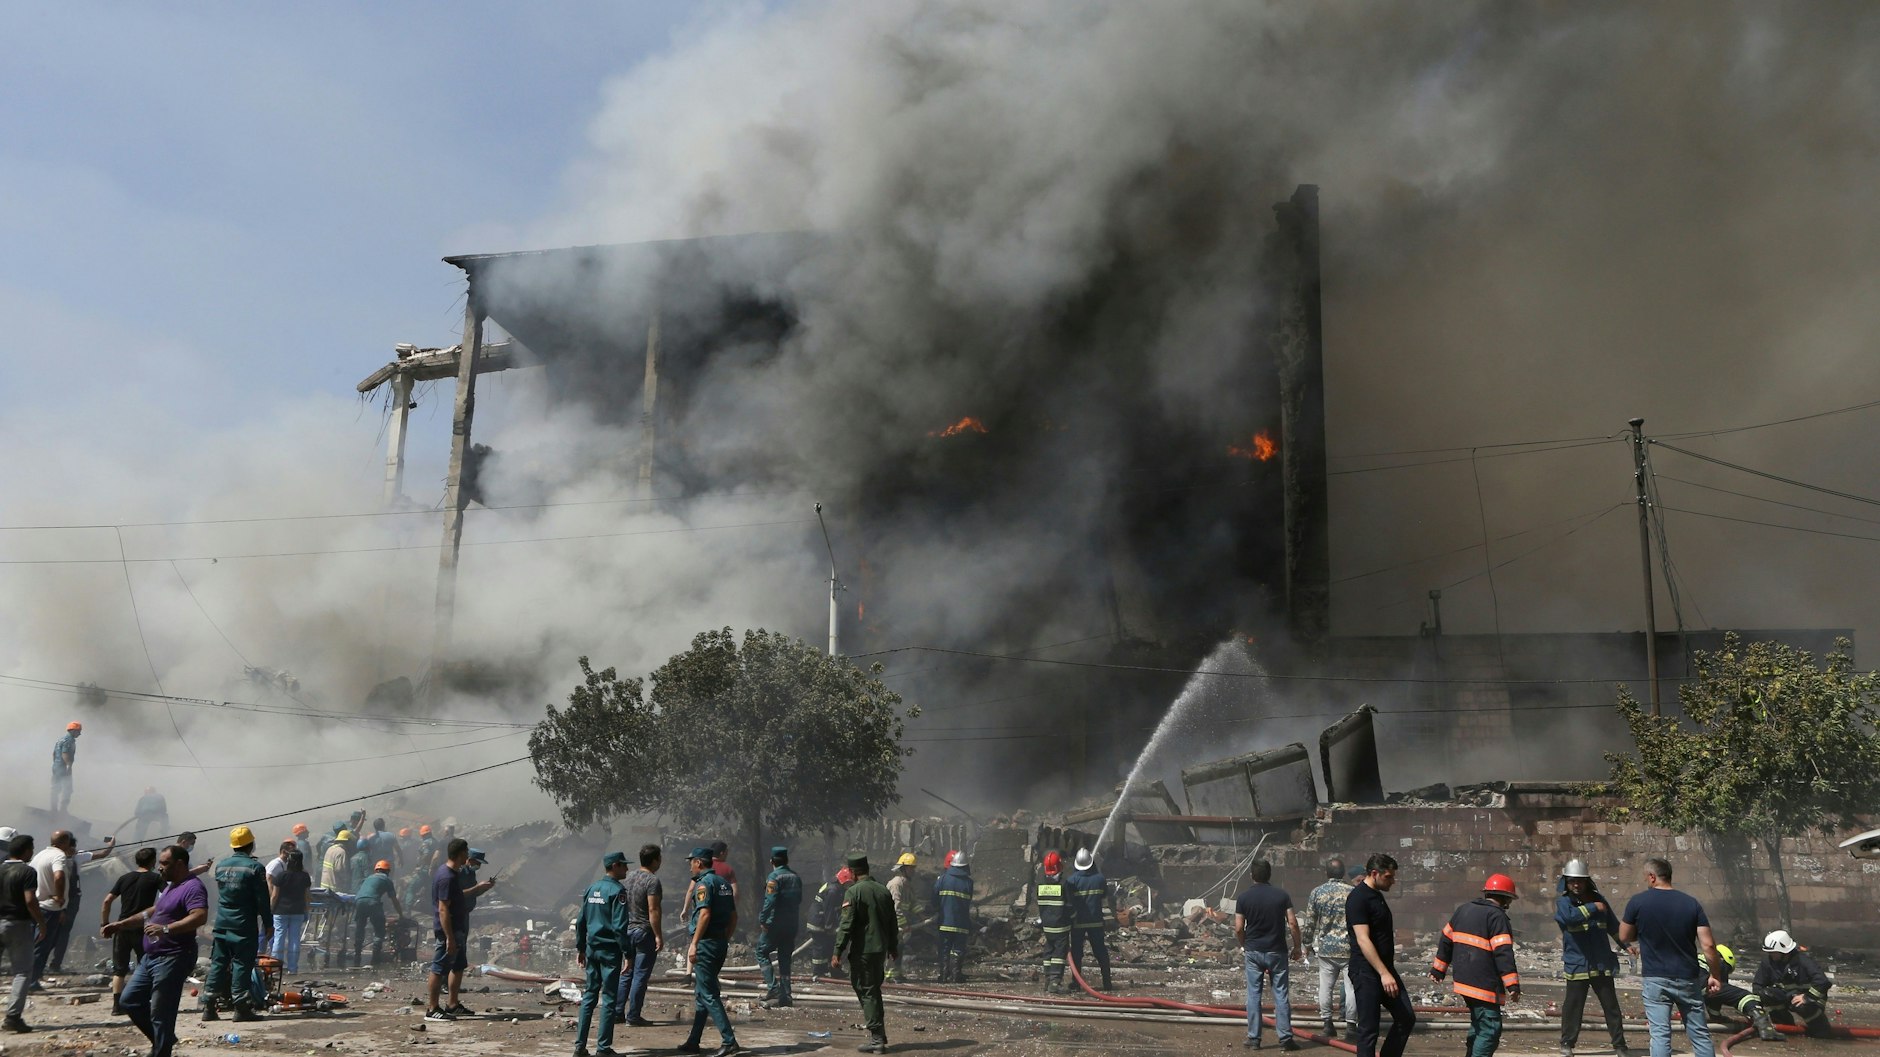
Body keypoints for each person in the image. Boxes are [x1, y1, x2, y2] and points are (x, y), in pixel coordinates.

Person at [109, 843, 206, 1057]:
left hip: (174, 956)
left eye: (164, 863)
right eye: (159, 863)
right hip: (151, 957)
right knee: (129, 1000)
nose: (159, 867)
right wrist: (122, 924)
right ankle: (164, 1040)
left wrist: (166, 929)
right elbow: (152, 911)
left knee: (161, 1013)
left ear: (179, 864)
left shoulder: (193, 887)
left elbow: (199, 916)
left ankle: (161, 1049)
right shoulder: (171, 886)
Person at [1618, 858, 1722, 1057]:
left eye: (1646, 877)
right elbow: (1708, 945)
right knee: (1700, 1034)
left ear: (1652, 877)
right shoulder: (1691, 903)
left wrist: (1643, 931)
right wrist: (1715, 975)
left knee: (1660, 1034)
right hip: (1687, 978)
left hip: (1655, 978)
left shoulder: (1638, 902)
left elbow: (1624, 936)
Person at [1432, 874, 1522, 1057]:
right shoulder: (1497, 917)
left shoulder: (1463, 909)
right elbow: (1503, 953)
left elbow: (1446, 939)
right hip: (1483, 984)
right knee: (1490, 1029)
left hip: (1463, 981)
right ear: (1506, 898)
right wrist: (1512, 984)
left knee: (1479, 1023)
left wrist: (1438, 969)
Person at [1555, 859, 1635, 1057]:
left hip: (1601, 963)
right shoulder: (1564, 903)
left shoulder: (1600, 900)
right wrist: (1593, 908)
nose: (1576, 885)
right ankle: (1567, 1044)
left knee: (1611, 1007)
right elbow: (1570, 917)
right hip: (1578, 965)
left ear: (1586, 881)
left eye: (1580, 881)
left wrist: (1626, 945)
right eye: (1572, 881)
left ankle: (1620, 1046)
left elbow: (1613, 927)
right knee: (1573, 1007)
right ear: (1566, 882)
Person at [1348, 853, 1415, 1057]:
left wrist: (1386, 971)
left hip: (1384, 970)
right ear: (1374, 873)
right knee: (1369, 1029)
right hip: (1366, 972)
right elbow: (1363, 939)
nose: (1392, 881)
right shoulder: (1358, 898)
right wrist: (1384, 973)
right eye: (1388, 877)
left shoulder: (1376, 895)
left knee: (1406, 1017)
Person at [202, 825, 271, 1022]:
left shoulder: (221, 866)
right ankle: (241, 1008)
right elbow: (262, 900)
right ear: (251, 844)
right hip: (243, 924)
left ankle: (208, 1007)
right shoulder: (255, 868)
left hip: (222, 922)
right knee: (242, 963)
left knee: (219, 963)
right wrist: (268, 923)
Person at [30, 829, 115, 987]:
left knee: (59, 933)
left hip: (58, 901)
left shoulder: (70, 856)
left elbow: (102, 854)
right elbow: (59, 877)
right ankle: (34, 975)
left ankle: (49, 966)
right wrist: (59, 898)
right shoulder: (58, 857)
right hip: (55, 903)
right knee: (47, 937)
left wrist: (110, 846)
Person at [1235, 857, 1303, 1051]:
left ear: (1252, 875)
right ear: (1269, 875)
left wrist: (1245, 945)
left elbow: (1239, 928)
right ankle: (1286, 1039)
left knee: (1253, 995)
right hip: (1277, 951)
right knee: (1280, 994)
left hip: (1254, 951)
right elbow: (1293, 923)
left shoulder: (1243, 898)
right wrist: (1297, 947)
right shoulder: (1282, 896)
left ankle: (1254, 1039)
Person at [834, 853, 898, 1054]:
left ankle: (876, 1038)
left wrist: (838, 951)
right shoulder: (883, 890)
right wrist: (893, 947)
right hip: (880, 950)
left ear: (852, 872)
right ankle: (880, 1033)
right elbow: (893, 922)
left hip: (864, 951)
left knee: (866, 990)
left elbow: (846, 924)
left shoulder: (853, 892)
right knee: (873, 990)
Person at [680, 846, 740, 1057]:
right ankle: (693, 1041)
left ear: (698, 862)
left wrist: (694, 943)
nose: (690, 866)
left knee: (708, 994)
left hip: (706, 944)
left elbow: (704, 914)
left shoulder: (704, 884)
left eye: (691, 862)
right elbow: (734, 916)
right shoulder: (724, 884)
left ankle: (729, 1041)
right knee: (701, 994)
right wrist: (725, 938)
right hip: (719, 942)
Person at [573, 851, 631, 1057]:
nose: (627, 868)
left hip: (592, 950)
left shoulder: (592, 888)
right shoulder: (618, 891)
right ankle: (603, 1048)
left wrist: (581, 948)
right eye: (623, 865)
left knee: (589, 996)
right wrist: (628, 953)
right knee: (609, 998)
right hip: (609, 952)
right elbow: (619, 927)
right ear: (615, 866)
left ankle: (580, 1047)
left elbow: (580, 922)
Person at [100, 847, 163, 1015]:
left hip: (121, 927)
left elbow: (107, 901)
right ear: (153, 861)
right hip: (143, 928)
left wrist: (105, 924)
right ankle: (143, 1001)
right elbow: (168, 897)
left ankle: (116, 1006)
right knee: (146, 965)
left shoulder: (124, 878)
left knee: (119, 969)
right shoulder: (156, 878)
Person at [1302, 857, 1357, 1040]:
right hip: (1349, 949)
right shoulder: (1353, 892)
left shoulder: (1317, 892)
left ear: (1326, 873)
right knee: (1351, 988)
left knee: (1325, 987)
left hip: (1326, 949)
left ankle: (1327, 1024)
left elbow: (1310, 921)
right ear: (1343, 873)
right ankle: (1351, 1026)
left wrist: (1307, 943)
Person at [1, 832, 46, 1034]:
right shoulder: (27, 872)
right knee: (22, 972)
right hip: (18, 924)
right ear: (26, 851)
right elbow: (30, 900)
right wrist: (41, 923)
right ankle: (12, 1017)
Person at [615, 843, 664, 1028]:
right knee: (640, 976)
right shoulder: (652, 881)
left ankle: (617, 1012)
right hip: (644, 931)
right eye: (659, 858)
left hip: (627, 930)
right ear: (655, 860)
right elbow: (653, 909)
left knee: (626, 972)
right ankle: (633, 1016)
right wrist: (658, 935)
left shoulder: (628, 877)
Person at [1754, 930, 1832, 1037]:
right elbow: (1758, 986)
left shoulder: (1803, 961)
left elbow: (1822, 981)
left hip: (1810, 999)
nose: (1771, 955)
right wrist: (1755, 1008)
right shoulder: (1768, 962)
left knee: (1802, 1005)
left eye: (1773, 952)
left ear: (1784, 951)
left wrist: (1807, 997)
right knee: (1766, 994)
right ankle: (1785, 1026)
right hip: (1787, 996)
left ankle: (1820, 1029)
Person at [426, 839, 472, 1022]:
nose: (467, 855)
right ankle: (432, 1009)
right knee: (439, 968)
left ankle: (453, 1004)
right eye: (466, 852)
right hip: (449, 931)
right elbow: (443, 909)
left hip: (457, 929)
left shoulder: (452, 873)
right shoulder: (447, 877)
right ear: (460, 854)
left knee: (458, 966)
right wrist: (449, 938)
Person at [446, 849, 496, 1013]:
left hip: (464, 915)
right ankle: (447, 991)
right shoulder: (458, 872)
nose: (478, 866)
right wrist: (477, 888)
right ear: (468, 860)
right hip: (456, 915)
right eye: (476, 863)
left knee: (460, 955)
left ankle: (453, 996)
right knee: (454, 954)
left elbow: (473, 893)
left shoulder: (470, 874)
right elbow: (456, 895)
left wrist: (485, 887)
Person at [757, 846, 802, 1008]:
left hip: (775, 923)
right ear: (787, 860)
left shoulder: (774, 877)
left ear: (772, 861)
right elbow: (799, 899)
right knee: (785, 958)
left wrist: (763, 918)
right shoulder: (796, 877)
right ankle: (786, 995)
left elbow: (770, 900)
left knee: (761, 951)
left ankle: (773, 988)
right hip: (792, 924)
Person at [1706, 944, 1780, 1041]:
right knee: (1745, 996)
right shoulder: (1717, 962)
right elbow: (1720, 988)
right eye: (1727, 970)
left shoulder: (1696, 960)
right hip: (1700, 982)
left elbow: (1715, 998)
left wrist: (1717, 1018)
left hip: (1688, 984)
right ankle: (1765, 1027)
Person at [1066, 847, 1114, 991]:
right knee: (1100, 952)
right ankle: (1107, 982)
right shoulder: (1100, 879)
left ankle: (1076, 983)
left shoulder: (1071, 881)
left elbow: (1068, 902)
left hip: (1078, 923)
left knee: (1076, 953)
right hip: (1096, 922)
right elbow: (1104, 895)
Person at [352, 860, 403, 968]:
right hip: (373, 902)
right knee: (379, 930)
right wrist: (401, 914)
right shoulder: (387, 880)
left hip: (359, 901)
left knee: (360, 928)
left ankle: (357, 956)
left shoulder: (368, 878)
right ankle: (375, 959)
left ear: (376, 870)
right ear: (388, 871)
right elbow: (394, 900)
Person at [1035, 850, 1073, 993]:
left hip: (1047, 926)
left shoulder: (1040, 885)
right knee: (1059, 954)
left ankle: (1047, 980)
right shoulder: (1064, 884)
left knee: (1048, 951)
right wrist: (1074, 918)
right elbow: (1069, 905)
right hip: (1061, 927)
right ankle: (1055, 982)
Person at [934, 850, 974, 983]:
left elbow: (934, 899)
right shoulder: (969, 882)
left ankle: (943, 975)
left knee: (944, 948)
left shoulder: (942, 879)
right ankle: (956, 975)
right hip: (962, 924)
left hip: (944, 922)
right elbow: (968, 902)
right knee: (958, 949)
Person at [270, 850, 312, 973]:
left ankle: (276, 967)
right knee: (294, 938)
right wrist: (306, 910)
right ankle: (292, 968)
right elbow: (307, 896)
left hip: (281, 911)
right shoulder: (305, 876)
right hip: (298, 911)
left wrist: (271, 909)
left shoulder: (281, 876)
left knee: (279, 937)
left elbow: (274, 896)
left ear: (289, 861)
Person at [809, 866, 853, 980]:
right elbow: (829, 910)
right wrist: (829, 927)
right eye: (849, 883)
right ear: (844, 880)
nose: (850, 885)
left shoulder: (838, 888)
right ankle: (818, 973)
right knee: (820, 947)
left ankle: (834, 970)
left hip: (825, 921)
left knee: (831, 947)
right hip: (818, 922)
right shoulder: (833, 890)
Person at [50, 721, 80, 816]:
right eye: (78, 731)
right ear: (73, 731)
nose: (79, 734)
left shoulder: (60, 740)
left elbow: (54, 754)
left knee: (55, 788)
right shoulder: (69, 740)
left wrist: (56, 764)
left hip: (56, 766)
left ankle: (53, 809)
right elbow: (65, 753)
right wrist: (68, 766)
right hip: (63, 767)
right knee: (67, 789)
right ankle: (63, 810)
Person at [322, 829, 355, 894]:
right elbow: (340, 870)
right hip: (334, 889)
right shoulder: (341, 852)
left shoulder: (330, 849)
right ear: (347, 841)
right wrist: (347, 883)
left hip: (324, 886)